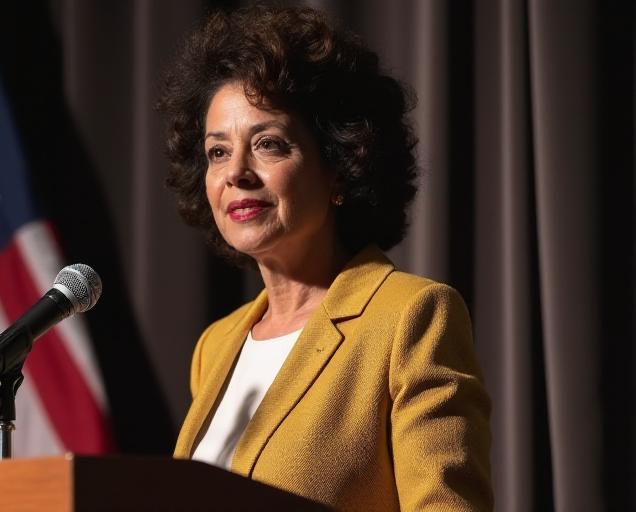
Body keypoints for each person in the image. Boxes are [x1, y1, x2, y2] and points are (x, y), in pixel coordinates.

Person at [157, 5, 493, 510]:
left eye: (268, 144)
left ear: (339, 165)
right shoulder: (216, 346)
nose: (236, 173)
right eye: (217, 152)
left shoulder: (411, 318)